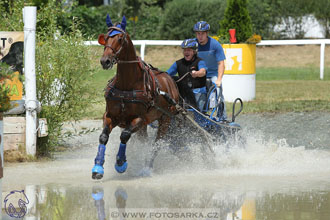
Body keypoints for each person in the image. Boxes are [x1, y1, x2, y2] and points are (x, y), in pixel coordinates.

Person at [194, 21, 227, 121]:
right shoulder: (193, 45)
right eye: (198, 33)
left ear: (207, 33)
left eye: (202, 33)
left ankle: (223, 118)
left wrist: (219, 79)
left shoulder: (215, 45)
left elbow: (221, 63)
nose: (200, 36)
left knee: (218, 91)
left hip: (212, 74)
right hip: (198, 74)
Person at [166, 38, 207, 111]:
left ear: (194, 51)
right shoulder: (178, 63)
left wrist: (196, 73)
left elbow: (203, 72)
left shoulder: (200, 61)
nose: (186, 52)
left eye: (188, 50)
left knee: (197, 112)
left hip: (198, 92)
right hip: (183, 93)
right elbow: (166, 74)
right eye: (185, 50)